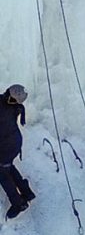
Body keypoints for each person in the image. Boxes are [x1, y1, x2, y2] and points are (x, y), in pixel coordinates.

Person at [0, 84, 36, 220]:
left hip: (5, 147)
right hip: (13, 143)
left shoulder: (4, 109)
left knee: (2, 174)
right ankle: (27, 193)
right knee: (8, 167)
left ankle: (18, 203)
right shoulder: (16, 107)